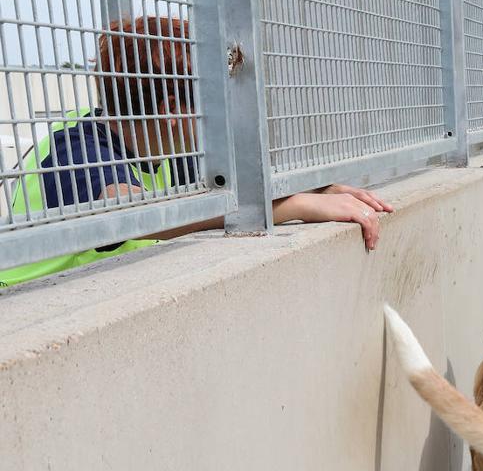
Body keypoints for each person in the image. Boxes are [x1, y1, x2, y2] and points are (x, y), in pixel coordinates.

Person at [1, 16, 392, 288]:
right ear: (172, 108)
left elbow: (236, 187)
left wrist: (317, 191)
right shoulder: (77, 144)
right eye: (211, 101)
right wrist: (286, 207)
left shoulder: (170, 148)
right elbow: (129, 212)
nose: (220, 116)